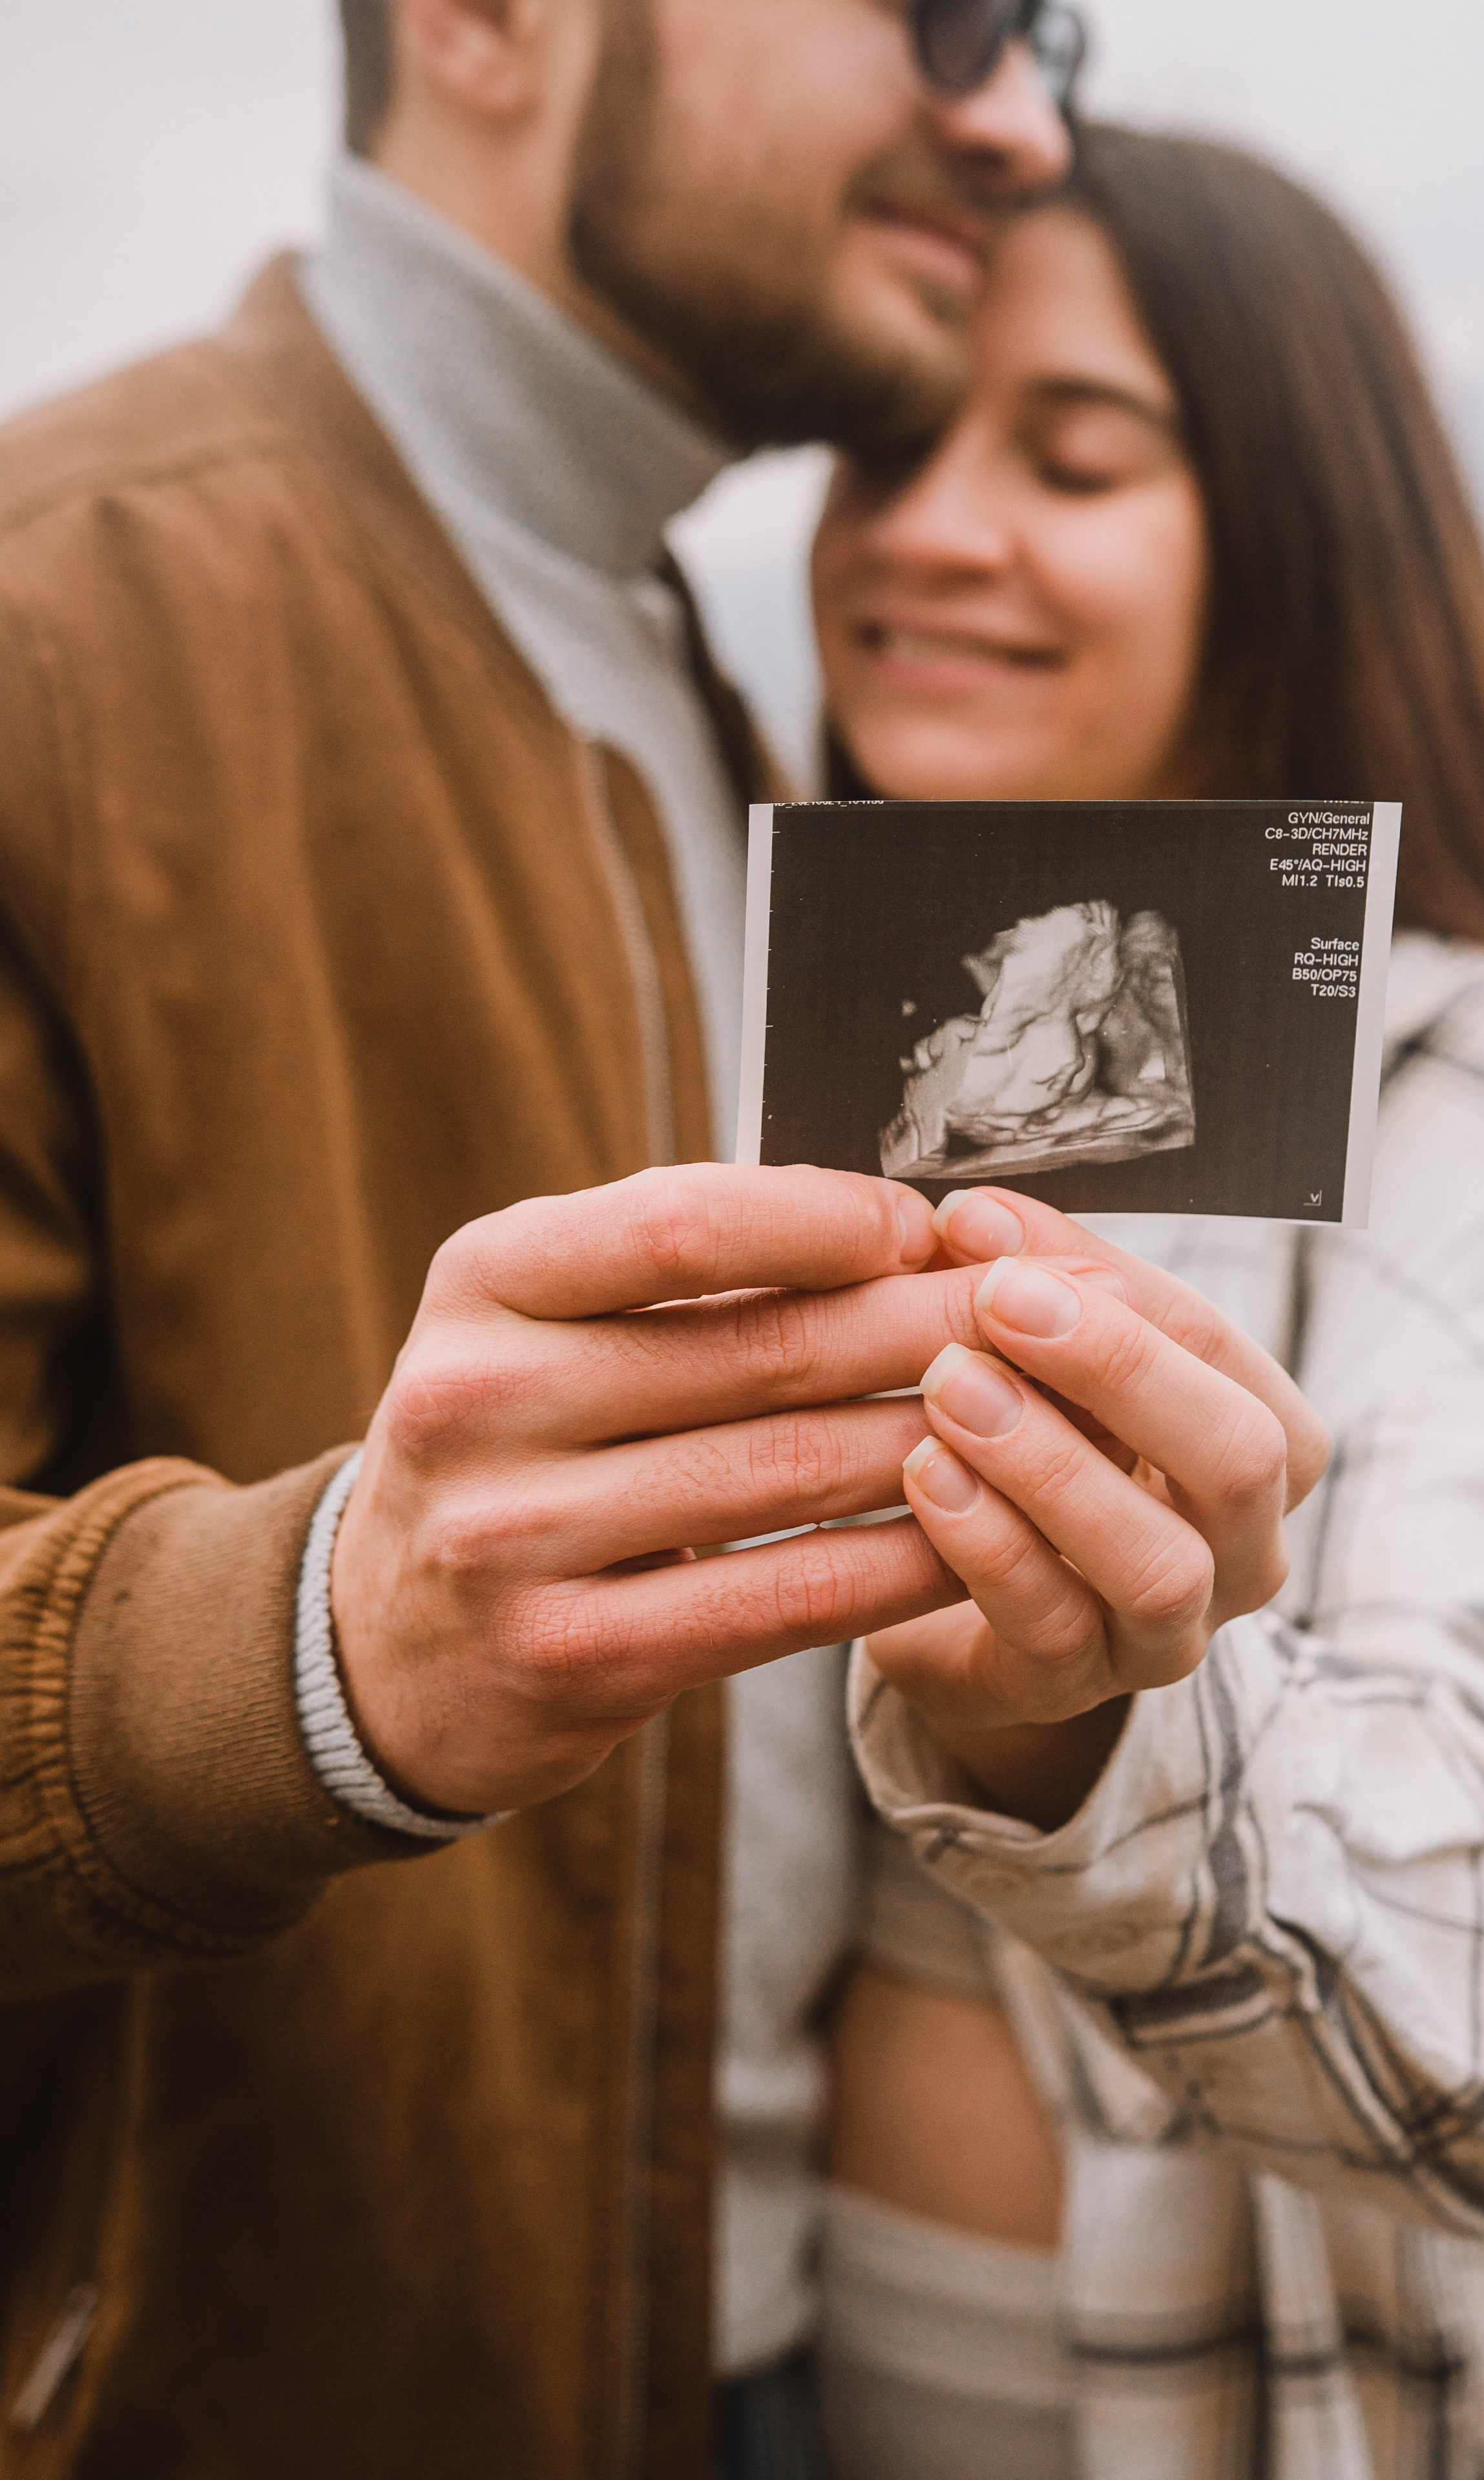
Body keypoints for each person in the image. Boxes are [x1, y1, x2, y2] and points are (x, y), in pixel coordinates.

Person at [0, 10, 1337, 2474]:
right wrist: (319, 1650)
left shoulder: (720, 695)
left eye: (1041, 35)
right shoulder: (47, 621)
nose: (1016, 116)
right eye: (943, 13)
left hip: (780, 2365)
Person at [810, 123, 1484, 2478]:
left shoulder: (1482, 1101)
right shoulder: (754, 1077)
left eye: (1072, 459)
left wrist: (1076, 1732)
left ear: (1290, 538)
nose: (929, 527)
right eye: (887, 447)